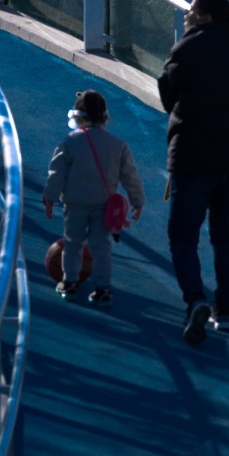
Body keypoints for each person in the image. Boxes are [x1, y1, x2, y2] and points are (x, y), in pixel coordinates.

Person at [157, 0, 229, 344]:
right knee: (225, 235)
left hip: (194, 157)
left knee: (183, 236)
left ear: (204, 17)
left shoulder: (187, 48)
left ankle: (195, 301)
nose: (186, 15)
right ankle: (226, 311)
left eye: (191, 10)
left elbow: (167, 96)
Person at [43, 89, 145, 306]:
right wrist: (137, 201)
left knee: (72, 244)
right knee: (101, 248)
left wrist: (50, 197)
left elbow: (57, 172)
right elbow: (130, 176)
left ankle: (69, 283)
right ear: (106, 117)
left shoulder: (70, 142)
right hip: (103, 205)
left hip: (75, 204)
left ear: (77, 117)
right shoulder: (118, 144)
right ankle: (103, 289)